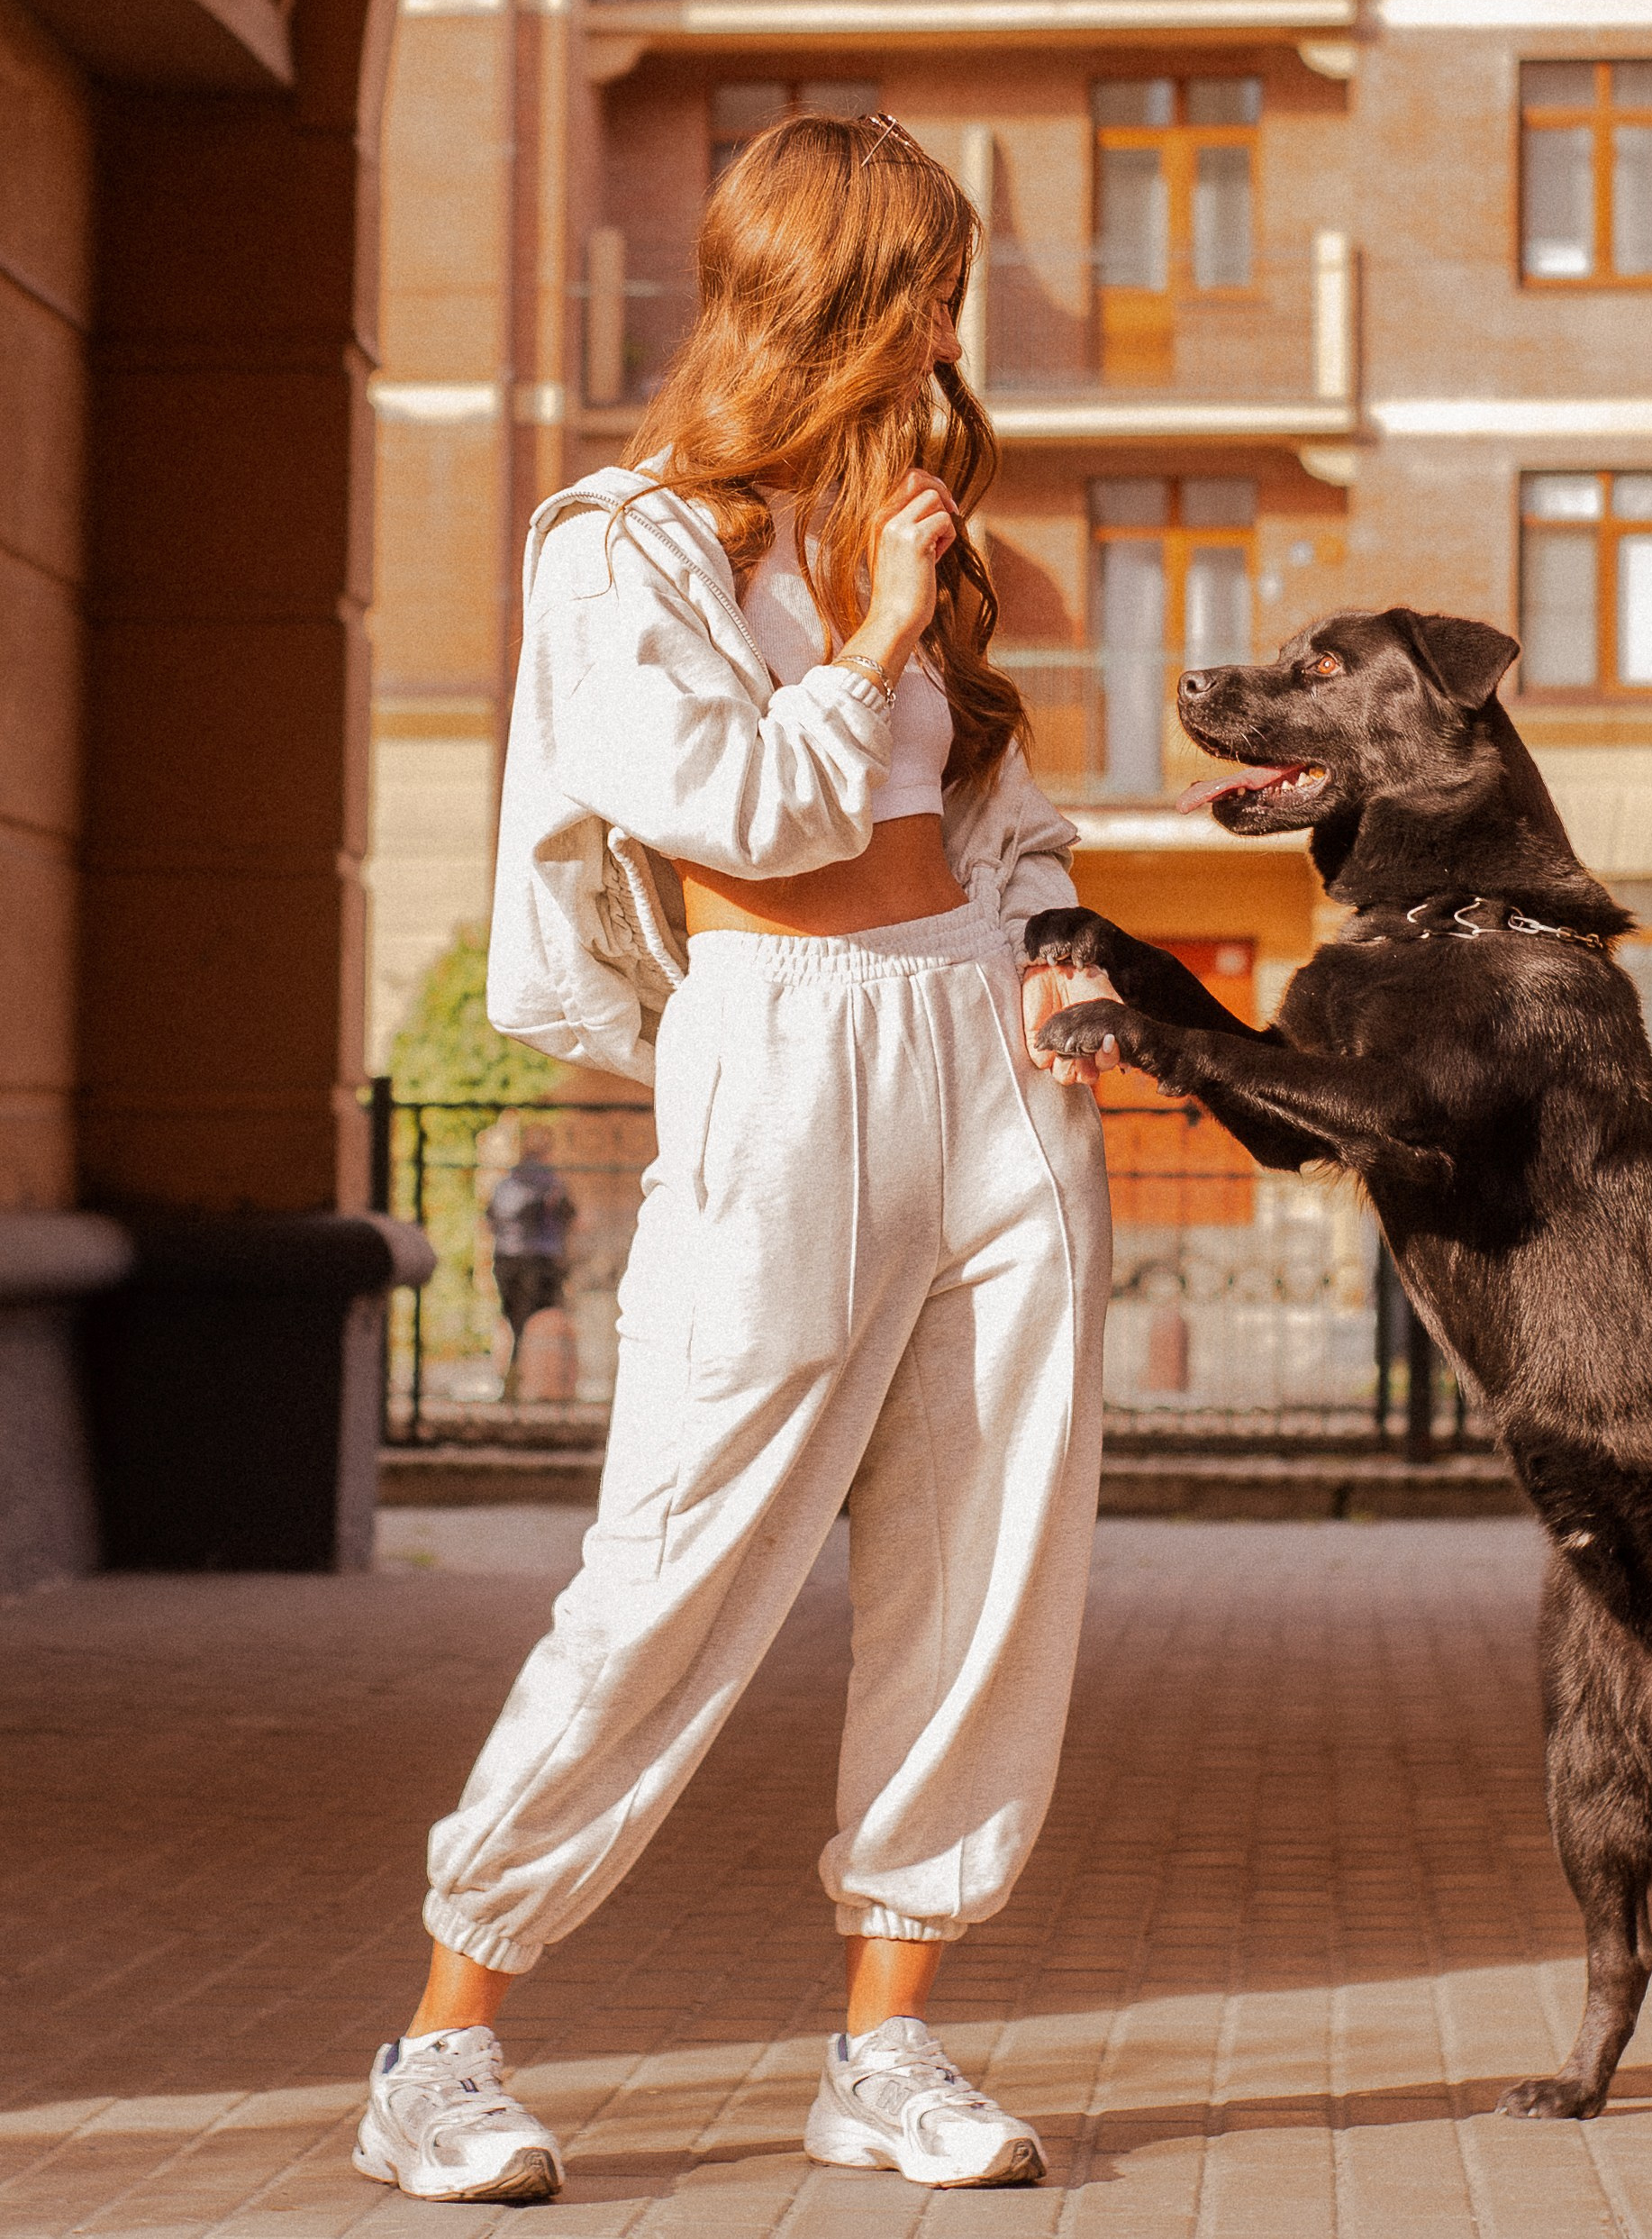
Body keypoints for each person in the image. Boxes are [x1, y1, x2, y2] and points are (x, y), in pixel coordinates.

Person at [354, 111, 1120, 2205]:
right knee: (674, 1566)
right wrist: (867, 632)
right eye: (928, 280)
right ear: (831, 290)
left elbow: (1003, 808)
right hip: (779, 1052)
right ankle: (441, 2038)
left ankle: (887, 2041)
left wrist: (1054, 940)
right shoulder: (620, 545)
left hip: (992, 1056)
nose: (953, 324)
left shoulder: (915, 521)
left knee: (986, 1570)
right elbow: (732, 810)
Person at [485, 1134, 576, 1397]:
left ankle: (512, 1384)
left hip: (505, 1259)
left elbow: (490, 1219)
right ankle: (540, 1387)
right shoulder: (551, 1184)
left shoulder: (505, 1185)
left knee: (514, 1323)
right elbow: (569, 1217)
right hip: (541, 1260)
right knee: (541, 1324)